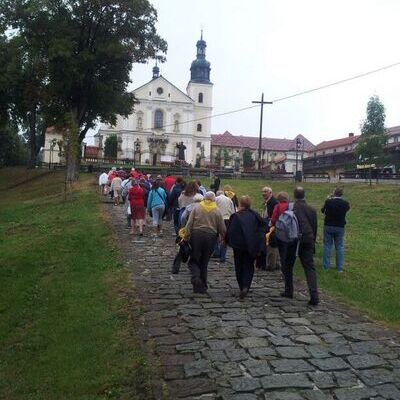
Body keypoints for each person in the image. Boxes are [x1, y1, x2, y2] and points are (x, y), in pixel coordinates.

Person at [274, 188, 319, 306]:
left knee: (287, 265)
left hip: (292, 239)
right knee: (309, 268)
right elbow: (314, 227)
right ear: (304, 195)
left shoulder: (291, 207)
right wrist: (312, 241)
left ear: (294, 196)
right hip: (308, 238)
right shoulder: (311, 209)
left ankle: (289, 290)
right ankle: (314, 295)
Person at [184, 191, 226, 293]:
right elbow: (222, 227)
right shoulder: (216, 210)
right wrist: (224, 237)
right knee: (204, 261)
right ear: (213, 199)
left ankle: (196, 277)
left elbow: (189, 223)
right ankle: (203, 286)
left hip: (197, 235)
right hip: (210, 237)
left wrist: (186, 235)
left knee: (194, 259)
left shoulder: (197, 207)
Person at [226, 196, 265, 299]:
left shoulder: (236, 216)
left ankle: (241, 286)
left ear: (240, 204)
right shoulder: (255, 216)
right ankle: (246, 286)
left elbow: (231, 231)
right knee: (248, 266)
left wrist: (229, 242)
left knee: (239, 266)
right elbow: (262, 229)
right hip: (251, 245)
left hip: (239, 246)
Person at [172, 193, 204, 274]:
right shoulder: (204, 208)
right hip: (199, 231)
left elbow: (182, 217)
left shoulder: (189, 207)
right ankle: (195, 267)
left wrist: (183, 227)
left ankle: (176, 268)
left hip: (189, 229)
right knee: (197, 250)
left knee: (182, 248)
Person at [321, 187, 350, 272]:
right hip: (340, 226)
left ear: (334, 193)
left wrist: (328, 199)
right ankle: (339, 267)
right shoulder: (345, 203)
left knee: (327, 245)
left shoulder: (328, 202)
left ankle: (326, 266)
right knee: (339, 246)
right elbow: (347, 209)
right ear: (342, 194)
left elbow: (323, 210)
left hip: (328, 225)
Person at [256, 186, 280, 270]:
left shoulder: (273, 202)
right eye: (262, 192)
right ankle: (275, 263)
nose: (263, 193)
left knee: (272, 244)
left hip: (272, 226)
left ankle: (272, 264)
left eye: (265, 191)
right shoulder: (267, 202)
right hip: (268, 224)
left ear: (270, 192)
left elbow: (273, 215)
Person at [214, 190, 236, 264]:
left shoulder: (216, 199)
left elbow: (214, 210)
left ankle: (216, 252)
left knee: (215, 236)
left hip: (218, 219)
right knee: (225, 238)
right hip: (227, 219)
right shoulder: (229, 200)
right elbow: (233, 212)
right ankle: (222, 256)